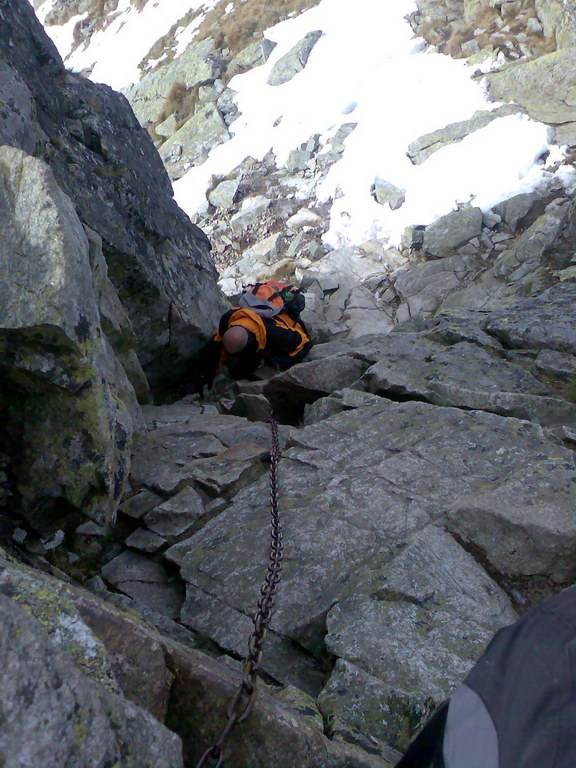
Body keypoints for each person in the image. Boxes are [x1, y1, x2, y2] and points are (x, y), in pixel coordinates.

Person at [194, 282, 312, 391]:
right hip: (256, 338)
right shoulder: (229, 319)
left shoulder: (276, 332)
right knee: (240, 370)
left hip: (269, 331)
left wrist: (276, 363)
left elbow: (304, 342)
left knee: (241, 371)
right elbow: (217, 342)